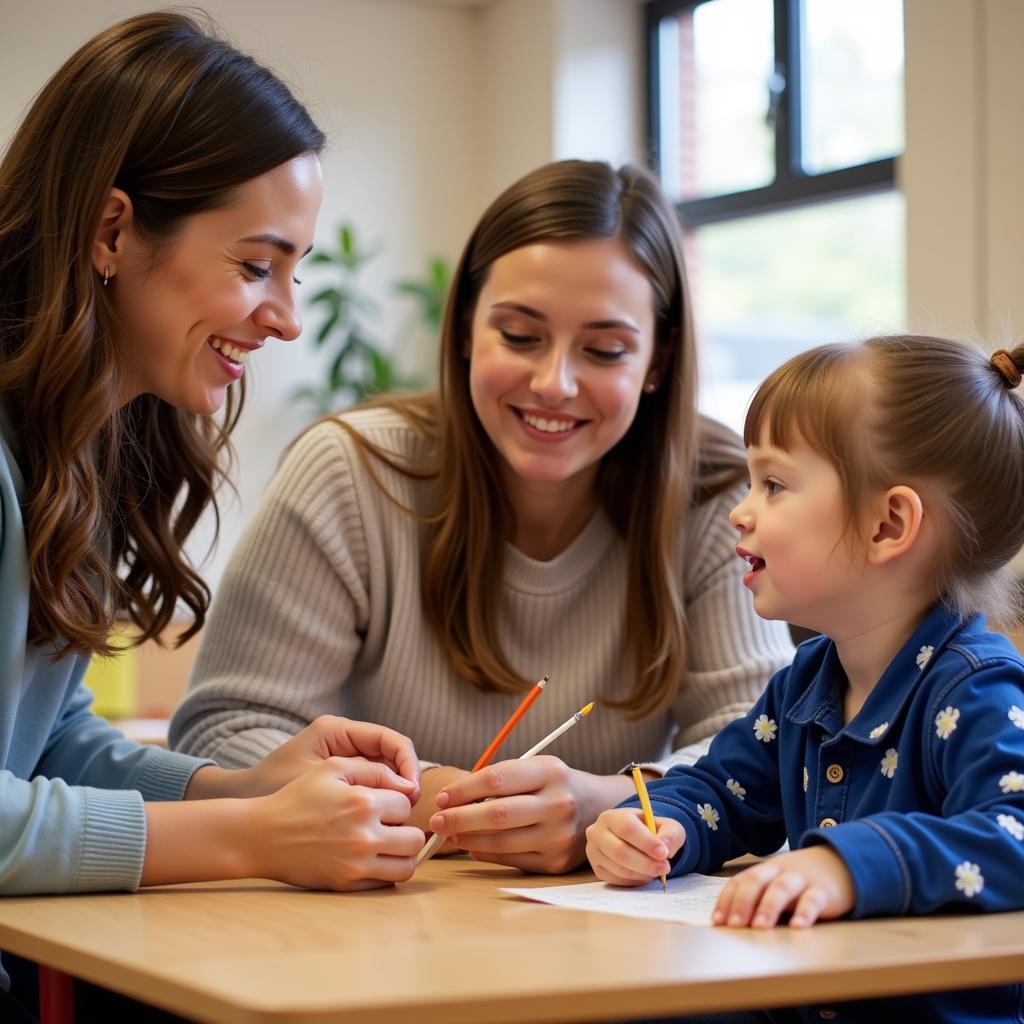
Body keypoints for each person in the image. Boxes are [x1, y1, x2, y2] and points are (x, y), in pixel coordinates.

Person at [170, 158, 795, 874]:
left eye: (605, 350)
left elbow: (766, 755)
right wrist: (435, 796)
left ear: (657, 363)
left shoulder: (718, 494)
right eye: (521, 336)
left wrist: (606, 804)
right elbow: (219, 740)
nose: (553, 383)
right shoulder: (349, 472)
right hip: (370, 927)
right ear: (466, 328)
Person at [0, 13, 428, 1012]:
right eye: (254, 265)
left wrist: (244, 790)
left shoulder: (79, 445)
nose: (283, 315)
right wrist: (248, 838)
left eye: (296, 270)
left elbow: (46, 743)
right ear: (112, 233)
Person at [586, 334, 1024, 1022]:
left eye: (775, 484)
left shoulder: (977, 689)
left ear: (888, 524)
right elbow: (723, 791)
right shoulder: (808, 681)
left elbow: (1013, 835)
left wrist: (849, 865)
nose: (741, 508)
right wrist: (656, 825)